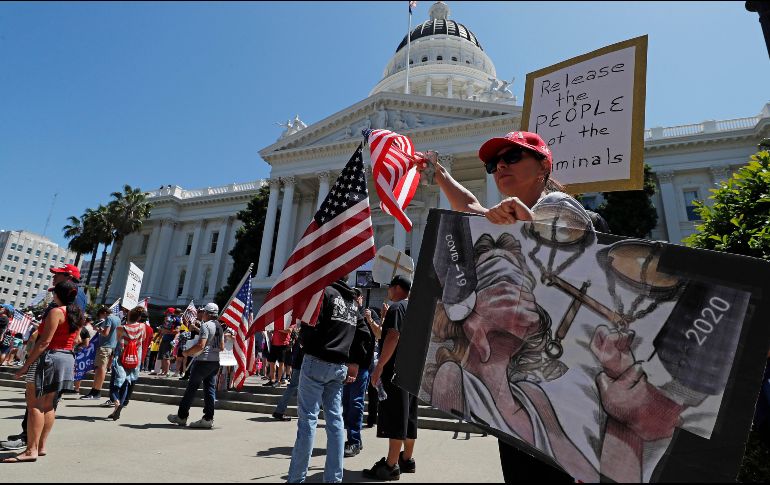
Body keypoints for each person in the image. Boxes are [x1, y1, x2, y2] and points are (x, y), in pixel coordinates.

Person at [413, 131, 623, 482]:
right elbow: (469, 207)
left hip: (571, 388)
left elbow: (565, 256)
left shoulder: (568, 211)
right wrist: (441, 175)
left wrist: (525, 222)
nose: (500, 167)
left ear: (543, 166)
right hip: (521, 386)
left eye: (512, 157)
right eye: (493, 164)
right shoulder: (504, 223)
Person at [287, 277, 366, 483]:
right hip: (338, 365)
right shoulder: (352, 302)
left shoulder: (324, 292)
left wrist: (305, 343)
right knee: (335, 422)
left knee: (308, 421)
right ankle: (333, 478)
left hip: (317, 360)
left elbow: (310, 324)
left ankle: (296, 478)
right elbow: (364, 332)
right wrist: (355, 360)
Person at [1, 264, 85, 452]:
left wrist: (25, 365)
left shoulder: (61, 307)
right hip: (64, 356)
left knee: (36, 405)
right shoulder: (76, 305)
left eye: (57, 275)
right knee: (48, 405)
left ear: (68, 278)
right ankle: (39, 445)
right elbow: (77, 334)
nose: (54, 278)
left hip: (49, 356)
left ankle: (30, 444)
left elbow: (46, 341)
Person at [363, 276, 416, 481]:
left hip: (395, 371)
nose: (388, 291)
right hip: (412, 371)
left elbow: (393, 337)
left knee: (396, 417)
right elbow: (385, 335)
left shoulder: (397, 308)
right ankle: (407, 459)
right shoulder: (415, 309)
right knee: (409, 416)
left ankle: (390, 465)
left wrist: (379, 367)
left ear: (397, 288)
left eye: (389, 287)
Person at [167, 303, 224, 429]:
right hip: (215, 362)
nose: (202, 314)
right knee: (210, 390)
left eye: (204, 312)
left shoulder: (206, 325)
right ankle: (208, 418)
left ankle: (182, 416)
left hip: (203, 361)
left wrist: (187, 352)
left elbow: (200, 345)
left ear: (207, 313)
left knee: (191, 389)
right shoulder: (219, 327)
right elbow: (222, 347)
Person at [343, 288, 375, 458]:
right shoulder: (346, 313)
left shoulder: (368, 315)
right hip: (345, 364)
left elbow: (372, 339)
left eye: (356, 296)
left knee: (355, 403)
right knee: (346, 404)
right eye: (351, 296)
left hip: (360, 367)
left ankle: (354, 440)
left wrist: (370, 320)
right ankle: (354, 438)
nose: (354, 299)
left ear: (361, 298)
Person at [107, 306, 145, 421]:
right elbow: (142, 340)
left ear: (127, 316)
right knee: (126, 383)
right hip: (134, 359)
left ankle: (116, 402)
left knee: (115, 383)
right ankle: (117, 409)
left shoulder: (121, 328)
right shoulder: (142, 327)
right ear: (139, 317)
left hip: (121, 359)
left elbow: (118, 343)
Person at [80, 306, 120, 401]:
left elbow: (105, 333)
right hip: (111, 346)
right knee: (100, 369)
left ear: (104, 313)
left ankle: (96, 391)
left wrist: (97, 329)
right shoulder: (117, 318)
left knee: (100, 369)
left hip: (105, 346)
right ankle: (94, 391)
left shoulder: (109, 318)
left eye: (100, 315)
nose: (101, 317)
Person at [272, 328, 304, 422]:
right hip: (303, 363)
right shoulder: (306, 332)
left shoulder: (303, 332)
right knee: (298, 387)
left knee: (294, 387)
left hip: (299, 363)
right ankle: (280, 410)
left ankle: (279, 410)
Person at [157, 308, 179, 377]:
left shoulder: (176, 320)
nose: (166, 315)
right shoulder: (168, 320)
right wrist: (159, 338)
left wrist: (167, 331)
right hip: (164, 339)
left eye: (167, 313)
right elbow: (163, 330)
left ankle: (167, 372)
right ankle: (163, 371)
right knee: (162, 356)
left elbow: (177, 331)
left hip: (169, 340)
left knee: (166, 356)